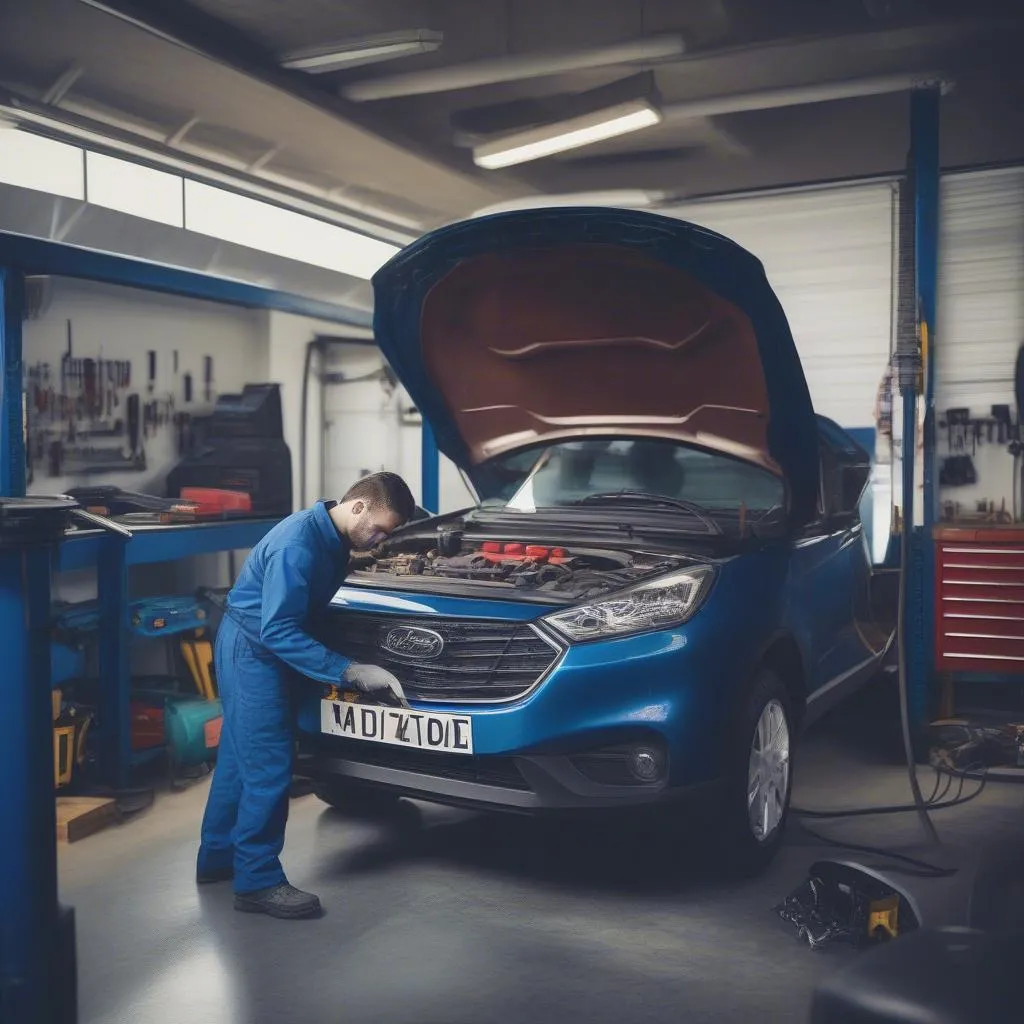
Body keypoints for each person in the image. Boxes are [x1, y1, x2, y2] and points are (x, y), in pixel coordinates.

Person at [196, 472, 416, 919]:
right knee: (269, 763)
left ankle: (217, 859)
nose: (378, 542)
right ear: (357, 507)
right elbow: (277, 628)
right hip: (253, 649)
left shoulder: (331, 536)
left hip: (261, 645)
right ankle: (257, 881)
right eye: (378, 529)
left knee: (240, 758)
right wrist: (349, 670)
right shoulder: (298, 544)